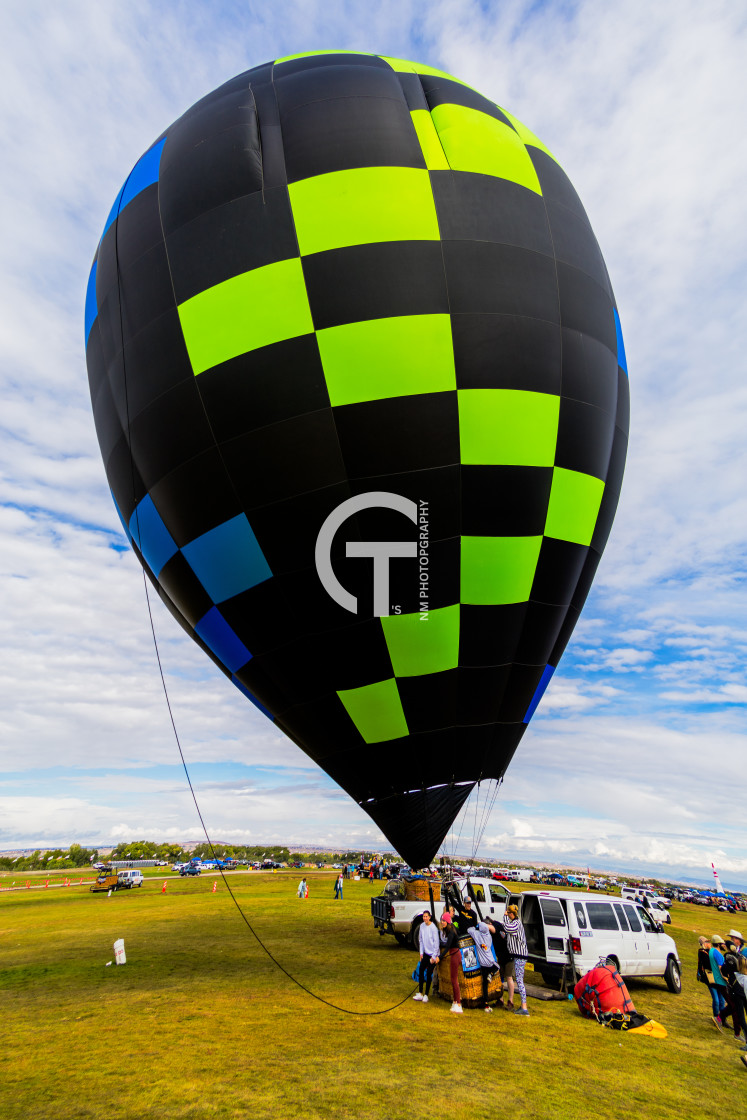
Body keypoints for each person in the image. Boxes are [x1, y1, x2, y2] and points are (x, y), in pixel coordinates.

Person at [503, 904, 530, 1016]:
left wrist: (504, 917)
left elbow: (507, 928)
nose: (507, 915)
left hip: (520, 956)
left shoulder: (516, 923)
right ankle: (523, 1006)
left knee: (519, 980)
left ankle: (524, 1007)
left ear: (511, 914)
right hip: (517, 955)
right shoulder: (515, 922)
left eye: (508, 913)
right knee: (519, 980)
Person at [468, 919, 498, 1012]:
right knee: (497, 967)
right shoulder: (489, 936)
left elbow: (469, 930)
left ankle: (485, 1004)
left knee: (484, 984)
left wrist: (475, 927)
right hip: (490, 961)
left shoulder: (477, 935)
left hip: (483, 963)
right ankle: (492, 974)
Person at [413, 911, 440, 1004]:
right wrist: (421, 953)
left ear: (429, 917)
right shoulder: (422, 926)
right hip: (425, 953)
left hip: (433, 954)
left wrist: (433, 957)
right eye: (423, 917)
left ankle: (426, 994)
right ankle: (420, 992)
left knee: (429, 973)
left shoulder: (433, 928)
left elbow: (436, 943)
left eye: (426, 916)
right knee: (421, 970)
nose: (425, 918)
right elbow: (420, 940)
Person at [440, 912, 463, 1013]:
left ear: (448, 922)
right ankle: (455, 1001)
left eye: (444, 921)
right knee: (453, 979)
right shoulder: (452, 929)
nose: (442, 922)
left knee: (454, 980)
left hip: (455, 955)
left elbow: (447, 947)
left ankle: (458, 1003)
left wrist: (439, 957)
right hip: (455, 954)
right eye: (442, 920)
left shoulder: (451, 933)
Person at [491, 918, 516, 1009]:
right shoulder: (495, 927)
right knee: (500, 978)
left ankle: (511, 1001)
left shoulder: (497, 927)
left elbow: (493, 928)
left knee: (509, 978)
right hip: (501, 957)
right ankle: (500, 1000)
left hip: (508, 956)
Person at [709, 934, 729, 1030]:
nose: (724, 945)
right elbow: (722, 968)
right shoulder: (718, 954)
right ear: (718, 944)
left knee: (720, 1000)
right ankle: (720, 1019)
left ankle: (720, 1019)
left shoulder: (711, 951)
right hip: (720, 981)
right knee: (722, 1001)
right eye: (722, 944)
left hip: (714, 979)